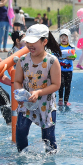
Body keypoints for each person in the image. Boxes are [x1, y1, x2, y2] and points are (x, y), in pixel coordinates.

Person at [13, 24, 62, 152]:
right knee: (21, 131)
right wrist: (20, 93)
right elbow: (17, 81)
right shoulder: (23, 60)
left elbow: (56, 84)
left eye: (33, 42)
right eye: (28, 41)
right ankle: (22, 157)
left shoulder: (52, 61)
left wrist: (39, 92)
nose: (29, 45)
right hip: (27, 102)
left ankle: (50, 159)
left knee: (48, 137)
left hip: (46, 103)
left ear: (44, 41)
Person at [57, 29, 76, 106]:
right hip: (59, 69)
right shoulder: (58, 47)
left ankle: (66, 100)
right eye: (62, 37)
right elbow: (53, 55)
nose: (64, 39)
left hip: (69, 69)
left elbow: (74, 57)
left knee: (68, 85)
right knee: (61, 83)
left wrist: (70, 58)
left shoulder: (71, 47)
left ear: (69, 38)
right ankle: (60, 99)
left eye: (65, 37)